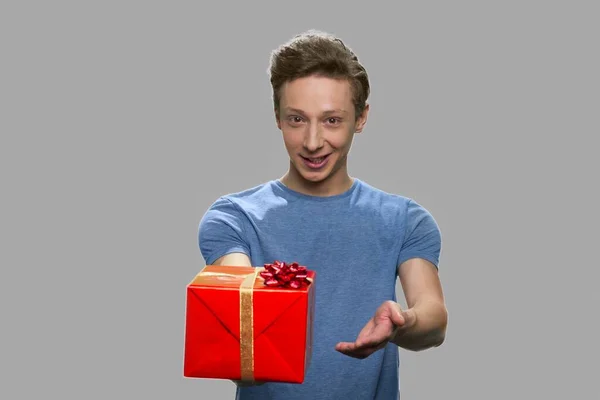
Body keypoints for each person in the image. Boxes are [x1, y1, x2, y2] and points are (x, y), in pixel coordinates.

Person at [198, 29, 448, 400]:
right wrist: (243, 343)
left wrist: (400, 323)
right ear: (277, 118)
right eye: (297, 119)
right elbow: (240, 304)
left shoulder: (404, 219)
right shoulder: (235, 217)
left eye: (332, 120)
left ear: (361, 118)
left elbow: (434, 319)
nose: (313, 142)